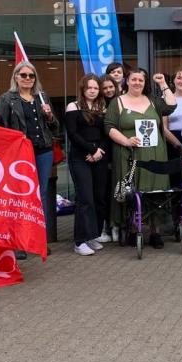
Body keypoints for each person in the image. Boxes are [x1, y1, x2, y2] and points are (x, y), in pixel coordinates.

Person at [105, 68, 177, 247]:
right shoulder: (117, 102)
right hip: (129, 154)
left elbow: (172, 104)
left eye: (141, 80)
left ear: (145, 84)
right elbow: (109, 127)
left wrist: (162, 84)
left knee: (156, 192)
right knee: (132, 192)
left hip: (156, 154)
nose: (137, 83)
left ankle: (155, 232)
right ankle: (132, 229)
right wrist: (126, 141)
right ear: (127, 81)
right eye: (134, 79)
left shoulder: (153, 101)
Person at [0, 61, 59, 257]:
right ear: (16, 77)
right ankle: (19, 242)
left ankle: (38, 239)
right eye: (23, 75)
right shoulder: (7, 99)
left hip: (44, 151)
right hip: (21, 154)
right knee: (21, 196)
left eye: (31, 76)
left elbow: (55, 127)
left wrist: (49, 116)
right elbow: (3, 128)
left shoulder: (42, 96)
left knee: (40, 196)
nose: (27, 79)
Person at [65, 75, 108, 256]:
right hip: (80, 157)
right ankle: (80, 240)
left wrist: (99, 151)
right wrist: (90, 151)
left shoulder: (102, 108)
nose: (92, 90)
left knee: (99, 197)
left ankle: (93, 235)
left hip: (99, 156)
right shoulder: (73, 106)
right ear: (83, 89)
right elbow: (73, 135)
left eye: (96, 88)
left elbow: (107, 133)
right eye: (89, 87)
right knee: (85, 199)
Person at [161, 69, 182, 199]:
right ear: (173, 81)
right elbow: (164, 128)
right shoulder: (165, 99)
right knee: (175, 179)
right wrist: (179, 144)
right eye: (179, 78)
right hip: (173, 142)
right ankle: (176, 215)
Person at [97, 74, 120, 242]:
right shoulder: (98, 105)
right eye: (104, 88)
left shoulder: (123, 101)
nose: (108, 90)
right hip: (104, 152)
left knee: (118, 190)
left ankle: (118, 225)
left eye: (110, 87)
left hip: (120, 149)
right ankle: (106, 225)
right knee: (104, 191)